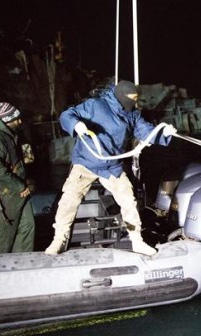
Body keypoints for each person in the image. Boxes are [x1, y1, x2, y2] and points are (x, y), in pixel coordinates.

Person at [45, 80, 178, 256]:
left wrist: (163, 134)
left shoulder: (132, 114)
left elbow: (146, 132)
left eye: (136, 99)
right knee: (69, 199)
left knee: (128, 200)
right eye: (131, 98)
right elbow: (67, 115)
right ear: (121, 96)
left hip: (111, 166)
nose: (134, 102)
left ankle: (137, 240)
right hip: (87, 162)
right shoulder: (95, 105)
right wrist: (76, 124)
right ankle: (59, 240)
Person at [0, 102, 35, 253]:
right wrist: (19, 186)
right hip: (5, 194)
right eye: (16, 119)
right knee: (3, 239)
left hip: (18, 192)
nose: (20, 122)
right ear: (6, 120)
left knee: (27, 227)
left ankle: (19, 266)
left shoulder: (8, 135)